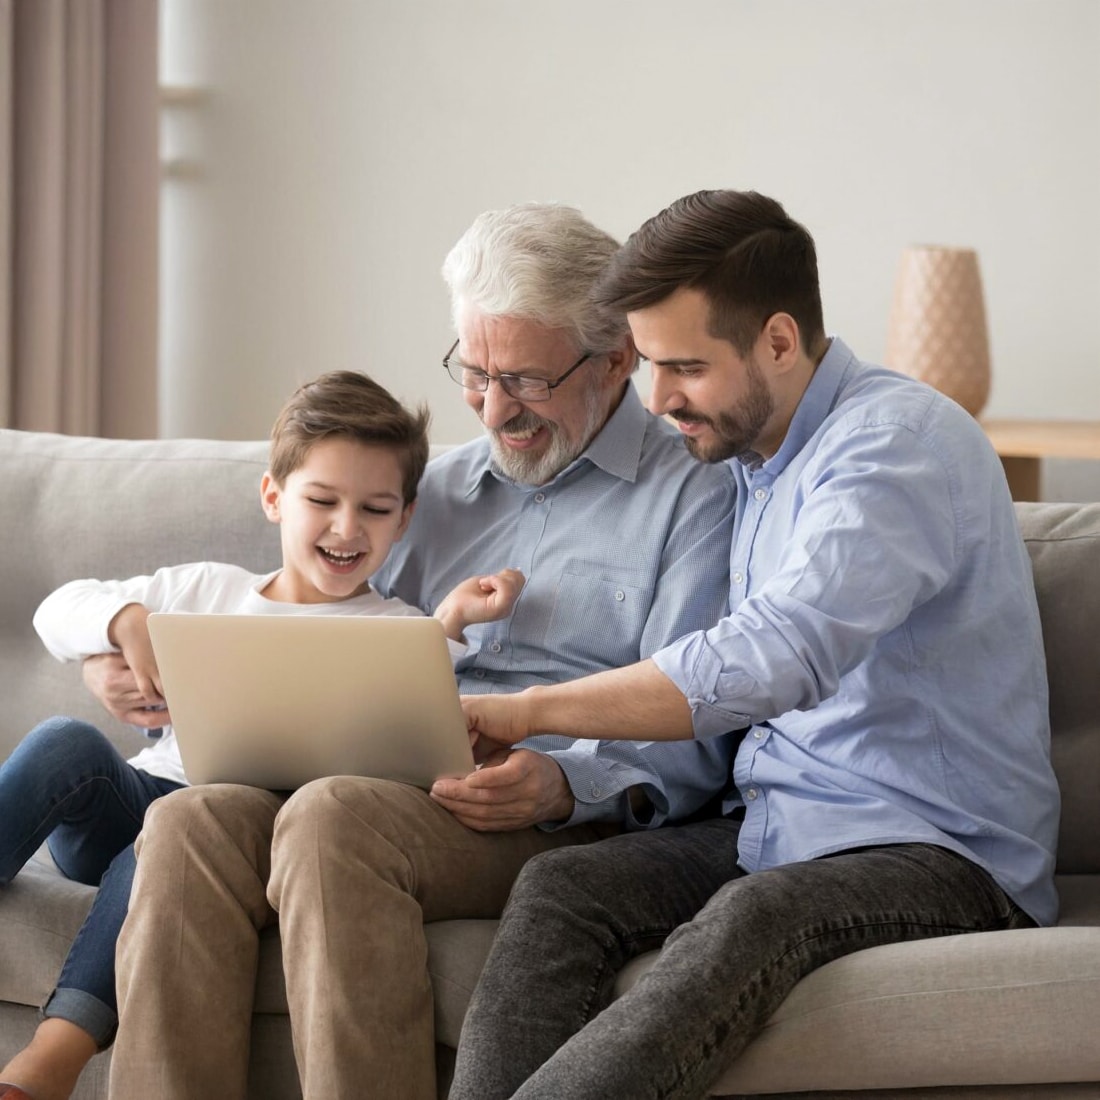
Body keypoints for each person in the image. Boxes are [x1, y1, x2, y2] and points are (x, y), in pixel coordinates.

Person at [85, 203, 740, 1100]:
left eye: (525, 380)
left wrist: (561, 782)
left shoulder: (695, 496)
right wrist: (122, 650)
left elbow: (698, 722)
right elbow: (295, 615)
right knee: (186, 821)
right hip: (374, 777)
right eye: (474, 372)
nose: (494, 407)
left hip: (539, 811)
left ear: (618, 360)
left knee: (332, 820)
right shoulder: (429, 492)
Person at [451, 189, 1062, 1100]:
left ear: (779, 340)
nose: (657, 399)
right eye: (650, 364)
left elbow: (774, 654)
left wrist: (523, 709)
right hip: (777, 827)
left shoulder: (893, 448)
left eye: (685, 367)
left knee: (752, 920)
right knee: (561, 891)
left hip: (942, 853)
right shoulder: (751, 458)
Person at [0, 370, 525, 1100]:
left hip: (233, 840)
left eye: (375, 509)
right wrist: (122, 625)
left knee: (173, 835)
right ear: (274, 498)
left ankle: (55, 1054)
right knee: (65, 742)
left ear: (404, 520)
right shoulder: (204, 591)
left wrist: (449, 627)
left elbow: (416, 744)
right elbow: (58, 608)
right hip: (142, 794)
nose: (348, 528)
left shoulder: (403, 633)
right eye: (322, 501)